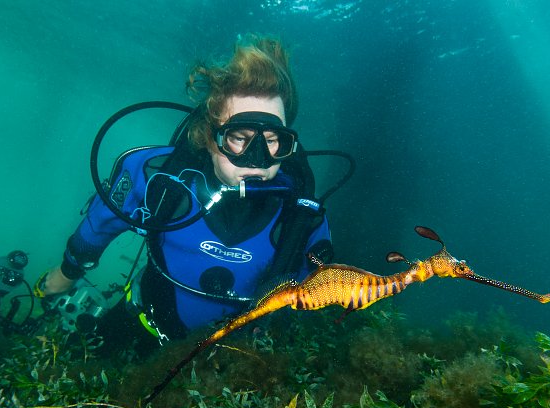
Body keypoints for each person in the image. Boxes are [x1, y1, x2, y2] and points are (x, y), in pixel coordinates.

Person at [38, 34, 333, 355]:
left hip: (234, 359)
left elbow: (307, 295)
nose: (257, 158)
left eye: (273, 140)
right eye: (239, 137)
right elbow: (99, 225)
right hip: (144, 323)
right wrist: (65, 274)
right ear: (209, 136)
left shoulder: (302, 217)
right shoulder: (153, 176)